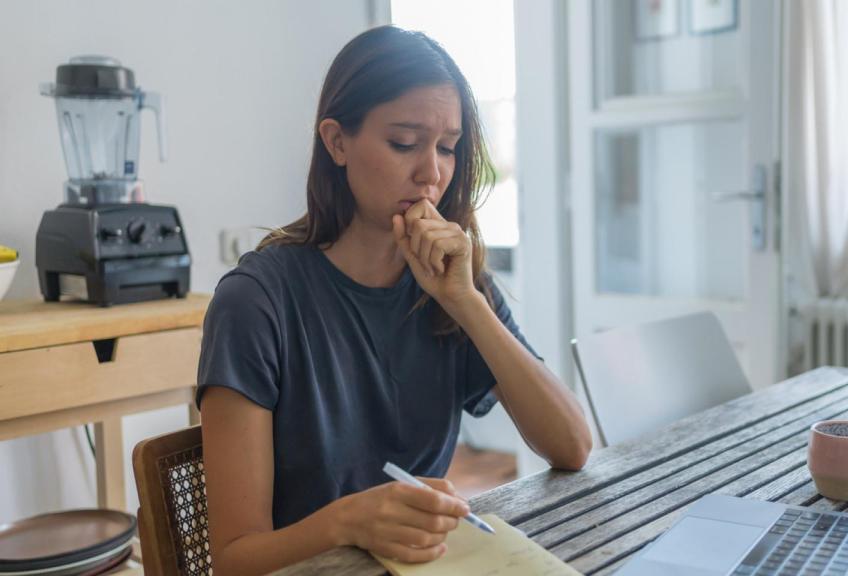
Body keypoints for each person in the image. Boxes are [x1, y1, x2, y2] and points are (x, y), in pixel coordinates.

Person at [197, 26, 592, 575]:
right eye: (405, 143)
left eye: (448, 148)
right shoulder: (256, 302)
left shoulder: (452, 281)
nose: (432, 173)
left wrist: (468, 304)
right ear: (337, 142)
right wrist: (348, 521)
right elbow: (235, 560)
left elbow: (572, 447)